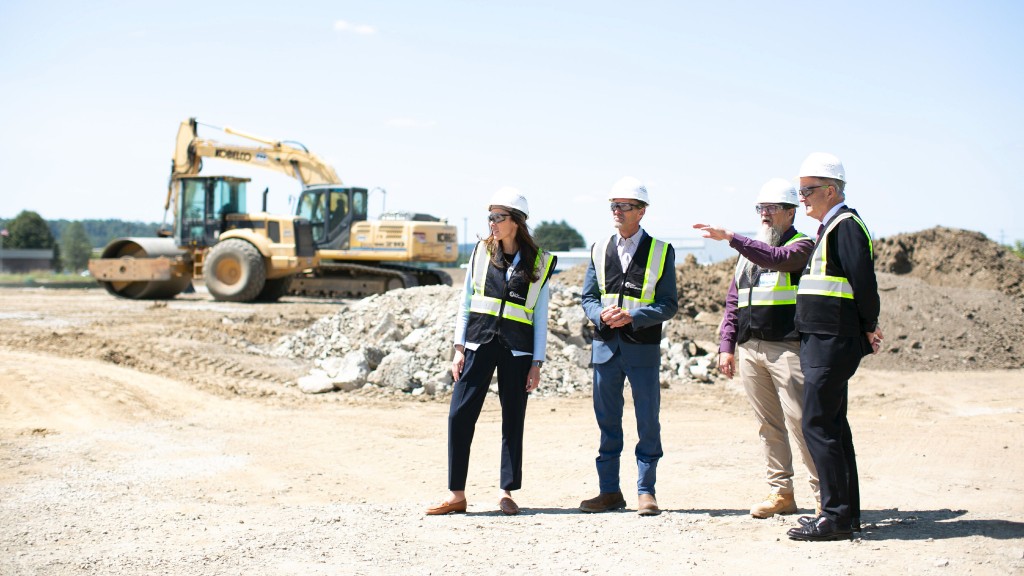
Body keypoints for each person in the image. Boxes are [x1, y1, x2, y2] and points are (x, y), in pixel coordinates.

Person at [693, 178, 820, 519]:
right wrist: (727, 345)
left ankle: (825, 497)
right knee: (769, 425)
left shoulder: (802, 245)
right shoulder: (750, 254)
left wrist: (732, 238)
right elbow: (734, 301)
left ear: (790, 213)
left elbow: (778, 259)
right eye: (760, 208)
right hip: (752, 349)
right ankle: (781, 493)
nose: (764, 215)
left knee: (801, 421)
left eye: (771, 209)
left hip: (787, 349)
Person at [426, 187, 557, 517]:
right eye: (490, 217)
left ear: (516, 222)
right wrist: (459, 348)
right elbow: (465, 303)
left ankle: (507, 491)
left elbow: (540, 316)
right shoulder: (480, 253)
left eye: (498, 217)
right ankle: (456, 494)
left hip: (518, 350)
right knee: (459, 415)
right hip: (478, 343)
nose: (492, 223)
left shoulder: (540, 262)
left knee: (513, 419)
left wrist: (537, 362)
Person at [786, 153, 883, 542]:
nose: (802, 198)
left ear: (830, 190)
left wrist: (870, 326)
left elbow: (864, 282)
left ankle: (836, 517)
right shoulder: (831, 227)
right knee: (833, 427)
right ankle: (847, 513)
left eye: (807, 191)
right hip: (823, 338)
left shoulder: (845, 226)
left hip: (832, 339)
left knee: (818, 423)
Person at [579, 176, 678, 517]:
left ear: (642, 211)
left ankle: (645, 491)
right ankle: (609, 491)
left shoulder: (662, 251)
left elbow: (668, 304)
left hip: (642, 347)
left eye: (624, 206)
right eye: (613, 206)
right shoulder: (598, 247)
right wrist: (601, 315)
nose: (617, 211)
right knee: (607, 420)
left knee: (647, 419)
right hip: (605, 347)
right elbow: (588, 298)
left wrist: (633, 317)